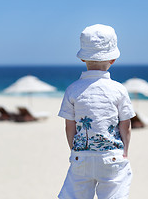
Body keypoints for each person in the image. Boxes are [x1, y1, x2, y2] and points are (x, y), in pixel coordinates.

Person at [58, 24, 136, 199]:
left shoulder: (72, 89)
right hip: (112, 157)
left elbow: (69, 126)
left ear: (83, 59)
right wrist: (125, 151)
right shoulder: (119, 89)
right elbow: (126, 125)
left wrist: (75, 149)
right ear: (113, 59)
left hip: (81, 157)